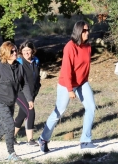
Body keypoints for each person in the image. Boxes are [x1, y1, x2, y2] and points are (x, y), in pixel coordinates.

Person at [38, 21, 96, 153]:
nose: (87, 33)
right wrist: (70, 89)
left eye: (88, 30)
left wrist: (84, 82)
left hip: (82, 82)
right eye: (84, 30)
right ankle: (43, 138)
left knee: (91, 107)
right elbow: (66, 70)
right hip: (66, 84)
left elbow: (85, 67)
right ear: (78, 31)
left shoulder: (88, 46)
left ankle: (85, 140)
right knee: (59, 112)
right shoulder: (70, 47)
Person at [0, 41, 34, 162]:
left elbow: (24, 84)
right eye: (12, 51)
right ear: (5, 53)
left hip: (10, 102)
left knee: (2, 128)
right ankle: (11, 153)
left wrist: (29, 99)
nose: (15, 53)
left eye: (15, 50)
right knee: (10, 125)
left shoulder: (19, 67)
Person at [13, 40, 42, 145]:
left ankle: (11, 137)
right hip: (19, 92)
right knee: (30, 111)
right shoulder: (19, 63)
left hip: (32, 92)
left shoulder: (36, 61)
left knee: (22, 114)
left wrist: (37, 87)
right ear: (21, 51)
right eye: (24, 50)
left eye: (28, 50)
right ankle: (30, 139)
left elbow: (36, 77)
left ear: (32, 51)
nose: (26, 52)